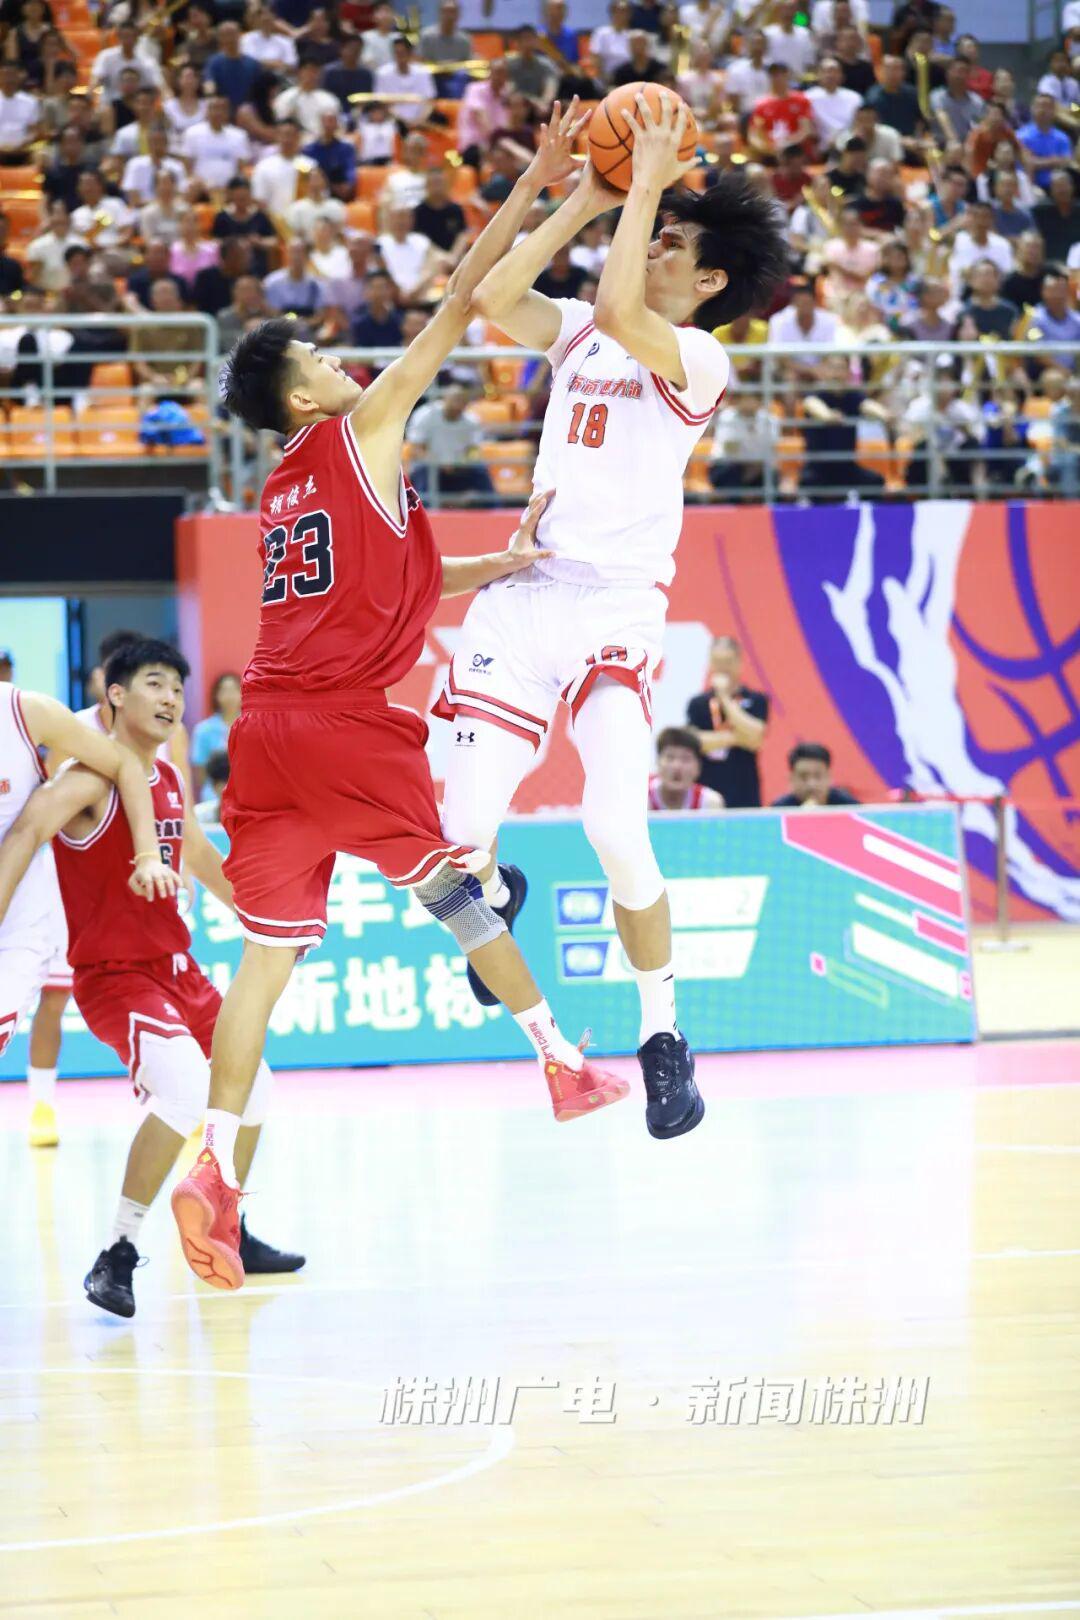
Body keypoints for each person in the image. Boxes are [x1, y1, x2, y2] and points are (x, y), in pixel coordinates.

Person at [170, 103, 632, 1293]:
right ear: (304, 401)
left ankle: (214, 1166)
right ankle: (561, 1060)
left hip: (265, 735)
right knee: (457, 892)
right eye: (320, 362)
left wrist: (497, 564)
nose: (343, 363)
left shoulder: (286, 489)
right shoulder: (363, 430)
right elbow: (465, 298)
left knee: (262, 966)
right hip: (340, 727)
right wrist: (549, 186)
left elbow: (394, 583)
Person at [442, 92, 788, 1140]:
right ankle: (496, 886)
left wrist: (643, 185)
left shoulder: (699, 358)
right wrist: (582, 197)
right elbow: (490, 294)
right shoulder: (583, 332)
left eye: (676, 242)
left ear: (711, 281)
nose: (658, 246)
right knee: (455, 842)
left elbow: (631, 313)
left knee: (613, 823)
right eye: (658, 232)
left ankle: (662, 1035)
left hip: (614, 610)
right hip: (524, 595)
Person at [1, 639, 301, 1316]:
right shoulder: (85, 780)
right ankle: (118, 1251)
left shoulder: (164, 775)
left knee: (256, 1088)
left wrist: (266, 922)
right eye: (156, 685)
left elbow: (199, 854)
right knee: (188, 1091)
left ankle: (229, 1227)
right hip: (117, 978)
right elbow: (23, 833)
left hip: (179, 971)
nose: (171, 700)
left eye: (177, 690)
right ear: (115, 695)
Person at [0, 676, 174, 1146]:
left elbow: (124, 765)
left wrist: (148, 855)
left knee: (55, 999)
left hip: (26, 911)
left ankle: (178, 1097)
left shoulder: (30, 713)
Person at [686, 636, 769, 809]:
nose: (723, 668)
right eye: (717, 662)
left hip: (744, 791)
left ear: (739, 662)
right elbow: (695, 742)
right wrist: (738, 737)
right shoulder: (698, 703)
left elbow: (756, 739)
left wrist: (724, 697)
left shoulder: (756, 699)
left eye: (728, 661)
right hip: (707, 790)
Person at [191, 671, 242, 797]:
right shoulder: (204, 730)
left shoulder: (252, 727)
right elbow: (200, 774)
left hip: (246, 796)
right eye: (224, 691)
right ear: (216, 695)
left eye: (234, 690)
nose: (230, 696)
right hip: (213, 798)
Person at [648, 728, 723, 811]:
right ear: (657, 762)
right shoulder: (641, 796)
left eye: (685, 759)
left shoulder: (709, 802)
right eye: (670, 757)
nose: (677, 766)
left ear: (698, 767)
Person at [773, 741, 859, 806]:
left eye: (818, 776)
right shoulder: (779, 810)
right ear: (791, 779)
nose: (811, 784)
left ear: (829, 777)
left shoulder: (849, 807)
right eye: (803, 777)